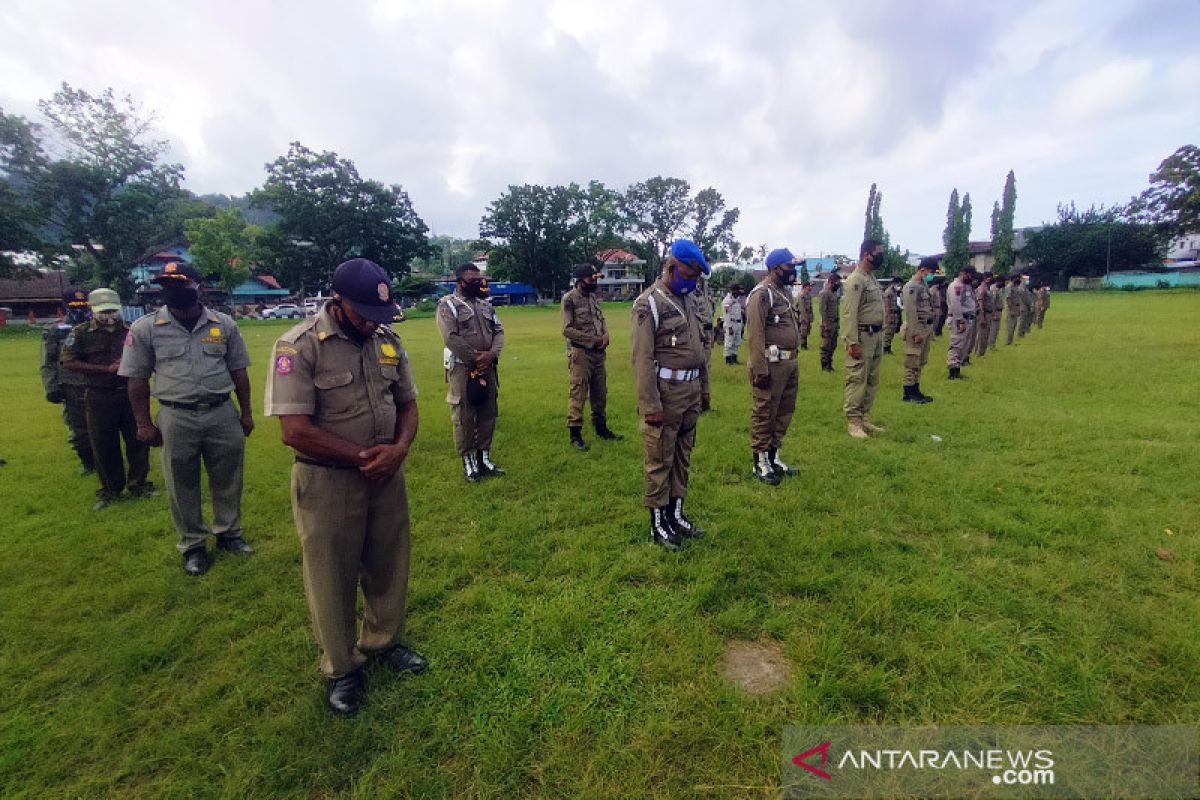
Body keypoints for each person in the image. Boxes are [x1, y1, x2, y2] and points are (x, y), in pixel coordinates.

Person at [265, 257, 426, 717]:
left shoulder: (387, 341)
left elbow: (408, 405)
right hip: (328, 481)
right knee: (330, 575)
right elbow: (293, 429)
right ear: (338, 301)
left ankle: (383, 642)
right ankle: (342, 669)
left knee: (389, 561)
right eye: (364, 314)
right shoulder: (298, 347)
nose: (373, 323)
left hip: (386, 474)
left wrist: (398, 449)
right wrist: (361, 458)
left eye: (380, 315)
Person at [119, 262, 255, 576]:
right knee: (181, 484)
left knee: (228, 477)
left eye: (181, 284)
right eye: (167, 285)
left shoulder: (224, 325)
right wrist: (143, 423)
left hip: (221, 411)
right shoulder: (145, 328)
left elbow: (239, 372)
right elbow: (136, 380)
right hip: (175, 415)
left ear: (198, 286)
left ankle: (229, 534)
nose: (173, 290)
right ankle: (193, 546)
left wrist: (246, 413)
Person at [630, 239, 709, 550]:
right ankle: (658, 522)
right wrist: (650, 404)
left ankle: (677, 513)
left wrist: (704, 390)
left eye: (696, 277)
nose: (692, 281)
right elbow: (642, 358)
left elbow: (701, 349)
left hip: (689, 391)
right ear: (672, 268)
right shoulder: (648, 304)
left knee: (682, 456)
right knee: (659, 458)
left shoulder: (689, 300)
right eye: (689, 274)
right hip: (665, 394)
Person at [61, 289, 153, 510]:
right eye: (104, 312)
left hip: (130, 392)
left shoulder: (133, 330)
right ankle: (111, 490)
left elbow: (150, 354)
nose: (109, 316)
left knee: (139, 439)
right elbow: (68, 362)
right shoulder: (81, 333)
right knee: (103, 444)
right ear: (93, 310)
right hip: (98, 394)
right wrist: (105, 369)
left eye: (113, 310)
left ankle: (139, 484)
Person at [437, 262, 505, 482]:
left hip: (488, 368)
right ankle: (468, 461)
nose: (478, 284)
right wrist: (476, 358)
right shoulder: (448, 305)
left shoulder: (486, 305)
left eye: (479, 280)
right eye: (472, 281)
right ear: (460, 282)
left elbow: (499, 330)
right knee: (464, 415)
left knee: (488, 412)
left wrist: (491, 355)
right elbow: (450, 337)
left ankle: (484, 457)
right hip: (463, 369)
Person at [746, 248, 803, 484]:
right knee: (765, 412)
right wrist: (760, 370)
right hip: (771, 363)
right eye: (789, 267)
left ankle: (773, 455)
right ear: (775, 268)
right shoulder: (761, 294)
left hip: (789, 362)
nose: (793, 271)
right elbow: (755, 336)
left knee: (783, 412)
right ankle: (760, 461)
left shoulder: (784, 292)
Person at [561, 264, 620, 451]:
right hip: (581, 354)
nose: (594, 282)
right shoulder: (569, 299)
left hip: (598, 354)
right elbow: (566, 329)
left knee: (600, 393)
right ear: (579, 281)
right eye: (590, 279)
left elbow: (601, 321)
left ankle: (601, 428)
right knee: (578, 393)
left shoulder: (593, 298)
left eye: (595, 279)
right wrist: (592, 339)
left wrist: (606, 336)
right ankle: (575, 434)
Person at [41, 290, 94, 475]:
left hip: (98, 383)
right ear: (65, 307)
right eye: (74, 307)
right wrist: (51, 387)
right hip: (70, 386)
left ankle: (108, 461)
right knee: (79, 429)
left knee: (104, 426)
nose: (79, 311)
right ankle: (88, 463)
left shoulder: (98, 325)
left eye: (83, 306)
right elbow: (48, 361)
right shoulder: (55, 330)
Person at [842, 240, 888, 439]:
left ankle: (864, 417)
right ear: (866, 254)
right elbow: (849, 313)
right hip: (862, 335)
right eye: (878, 252)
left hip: (876, 335)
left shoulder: (871, 278)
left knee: (871, 379)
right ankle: (853, 422)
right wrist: (852, 341)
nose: (881, 256)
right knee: (858, 378)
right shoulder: (856, 280)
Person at [900, 259, 937, 404]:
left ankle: (916, 390)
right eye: (931, 272)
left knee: (920, 361)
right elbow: (911, 311)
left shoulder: (923, 285)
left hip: (925, 327)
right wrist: (915, 332)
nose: (931, 275)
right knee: (912, 361)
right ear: (923, 270)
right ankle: (908, 393)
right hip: (917, 328)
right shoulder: (912, 286)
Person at [946, 267, 977, 380]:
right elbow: (955, 304)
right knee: (957, 344)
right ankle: (953, 371)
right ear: (963, 273)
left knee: (964, 346)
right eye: (970, 275)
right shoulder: (956, 286)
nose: (972, 278)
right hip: (959, 319)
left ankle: (957, 369)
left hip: (968, 319)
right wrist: (960, 321)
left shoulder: (966, 286)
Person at [695, 275, 715, 411]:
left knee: (706, 367)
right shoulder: (691, 291)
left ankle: (705, 400)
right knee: (698, 367)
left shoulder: (705, 289)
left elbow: (709, 311)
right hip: (698, 332)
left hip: (708, 331)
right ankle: (697, 402)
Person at [818, 272, 841, 372]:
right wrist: (825, 323)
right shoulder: (825, 293)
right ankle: (825, 366)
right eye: (836, 282)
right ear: (831, 282)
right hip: (828, 323)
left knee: (833, 345)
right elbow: (823, 309)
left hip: (835, 323)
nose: (838, 284)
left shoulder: (833, 293)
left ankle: (830, 365)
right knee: (826, 345)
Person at [721, 283, 747, 364]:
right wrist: (729, 327)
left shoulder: (738, 300)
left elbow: (740, 313)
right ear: (732, 291)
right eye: (735, 292)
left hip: (738, 323)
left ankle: (734, 358)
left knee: (736, 342)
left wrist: (742, 325)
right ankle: (728, 360)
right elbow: (727, 315)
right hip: (731, 323)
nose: (737, 294)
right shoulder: (727, 301)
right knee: (729, 342)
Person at [974, 273, 993, 358]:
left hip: (988, 313)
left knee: (985, 334)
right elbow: (980, 302)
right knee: (982, 334)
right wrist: (982, 316)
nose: (990, 280)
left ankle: (981, 352)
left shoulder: (987, 287)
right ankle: (979, 353)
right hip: (984, 313)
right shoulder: (982, 288)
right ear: (985, 278)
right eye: (989, 278)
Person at [882, 278, 900, 354]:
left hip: (894, 313)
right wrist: (889, 316)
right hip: (890, 314)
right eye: (898, 284)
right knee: (888, 331)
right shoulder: (889, 292)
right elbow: (887, 305)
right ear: (894, 283)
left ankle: (888, 347)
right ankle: (885, 348)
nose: (899, 286)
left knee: (892, 332)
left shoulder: (894, 291)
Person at [794, 282, 814, 350]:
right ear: (805, 287)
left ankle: (805, 344)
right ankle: (803, 346)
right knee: (803, 331)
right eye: (809, 286)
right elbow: (801, 308)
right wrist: (804, 319)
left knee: (807, 330)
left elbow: (810, 307)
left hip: (807, 315)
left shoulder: (808, 295)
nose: (811, 288)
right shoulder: (801, 295)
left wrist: (811, 317)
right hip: (802, 316)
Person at [987, 275, 1004, 351]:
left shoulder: (998, 289)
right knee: (993, 329)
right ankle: (990, 345)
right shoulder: (993, 289)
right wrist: (994, 314)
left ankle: (992, 344)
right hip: (995, 311)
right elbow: (992, 302)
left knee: (996, 329)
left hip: (999, 311)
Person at [1004, 274, 1021, 345]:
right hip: (1012, 307)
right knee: (1010, 325)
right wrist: (1011, 310)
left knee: (1014, 325)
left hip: (1016, 307)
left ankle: (1011, 341)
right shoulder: (1009, 287)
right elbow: (1008, 299)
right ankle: (1008, 341)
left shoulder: (1016, 286)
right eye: (1017, 278)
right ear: (1013, 278)